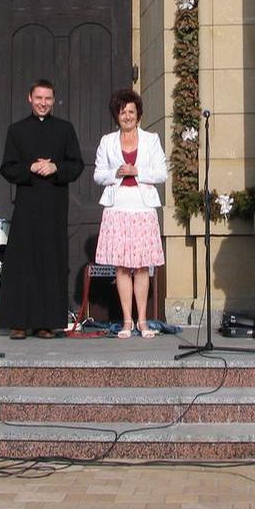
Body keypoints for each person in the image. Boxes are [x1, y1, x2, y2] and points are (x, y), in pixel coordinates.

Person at [0, 79, 84, 339]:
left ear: (54, 101)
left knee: (50, 263)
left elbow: (76, 165)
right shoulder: (17, 130)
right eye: (39, 98)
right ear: (30, 99)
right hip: (27, 205)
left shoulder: (65, 129)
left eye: (47, 99)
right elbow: (7, 168)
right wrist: (29, 168)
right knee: (22, 263)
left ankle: (46, 323)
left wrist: (56, 167)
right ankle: (18, 323)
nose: (43, 103)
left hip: (55, 206)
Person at [93, 89, 167, 339]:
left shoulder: (151, 139)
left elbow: (161, 173)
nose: (127, 116)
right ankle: (127, 321)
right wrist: (116, 172)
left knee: (142, 267)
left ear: (138, 114)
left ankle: (143, 321)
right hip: (117, 208)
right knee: (123, 267)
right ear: (116, 115)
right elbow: (98, 175)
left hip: (143, 208)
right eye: (122, 112)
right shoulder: (107, 141)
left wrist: (137, 171)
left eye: (131, 112)